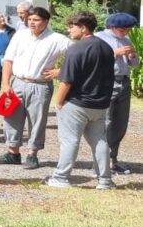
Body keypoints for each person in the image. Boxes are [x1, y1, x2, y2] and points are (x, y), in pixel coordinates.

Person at [0, 6, 71, 170]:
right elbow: (8, 60)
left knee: (37, 120)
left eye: (36, 20)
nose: (31, 23)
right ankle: (13, 152)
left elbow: (77, 56)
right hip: (17, 82)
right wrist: (5, 84)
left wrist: (60, 71)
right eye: (29, 19)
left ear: (46, 21)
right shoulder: (20, 35)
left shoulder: (57, 39)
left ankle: (32, 154)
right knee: (11, 116)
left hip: (40, 84)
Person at [47, 11, 116, 189]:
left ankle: (61, 177)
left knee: (70, 141)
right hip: (99, 104)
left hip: (77, 103)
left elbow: (67, 80)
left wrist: (58, 102)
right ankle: (105, 180)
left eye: (72, 27)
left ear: (83, 28)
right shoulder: (106, 47)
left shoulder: (76, 49)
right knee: (100, 141)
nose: (69, 30)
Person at [95, 13, 139, 175]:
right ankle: (100, 163)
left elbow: (135, 65)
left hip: (124, 82)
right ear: (113, 27)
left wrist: (133, 55)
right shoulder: (99, 38)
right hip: (107, 81)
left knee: (120, 123)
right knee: (106, 122)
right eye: (122, 29)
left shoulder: (126, 40)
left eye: (128, 29)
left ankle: (113, 159)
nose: (126, 32)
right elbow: (93, 59)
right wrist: (114, 52)